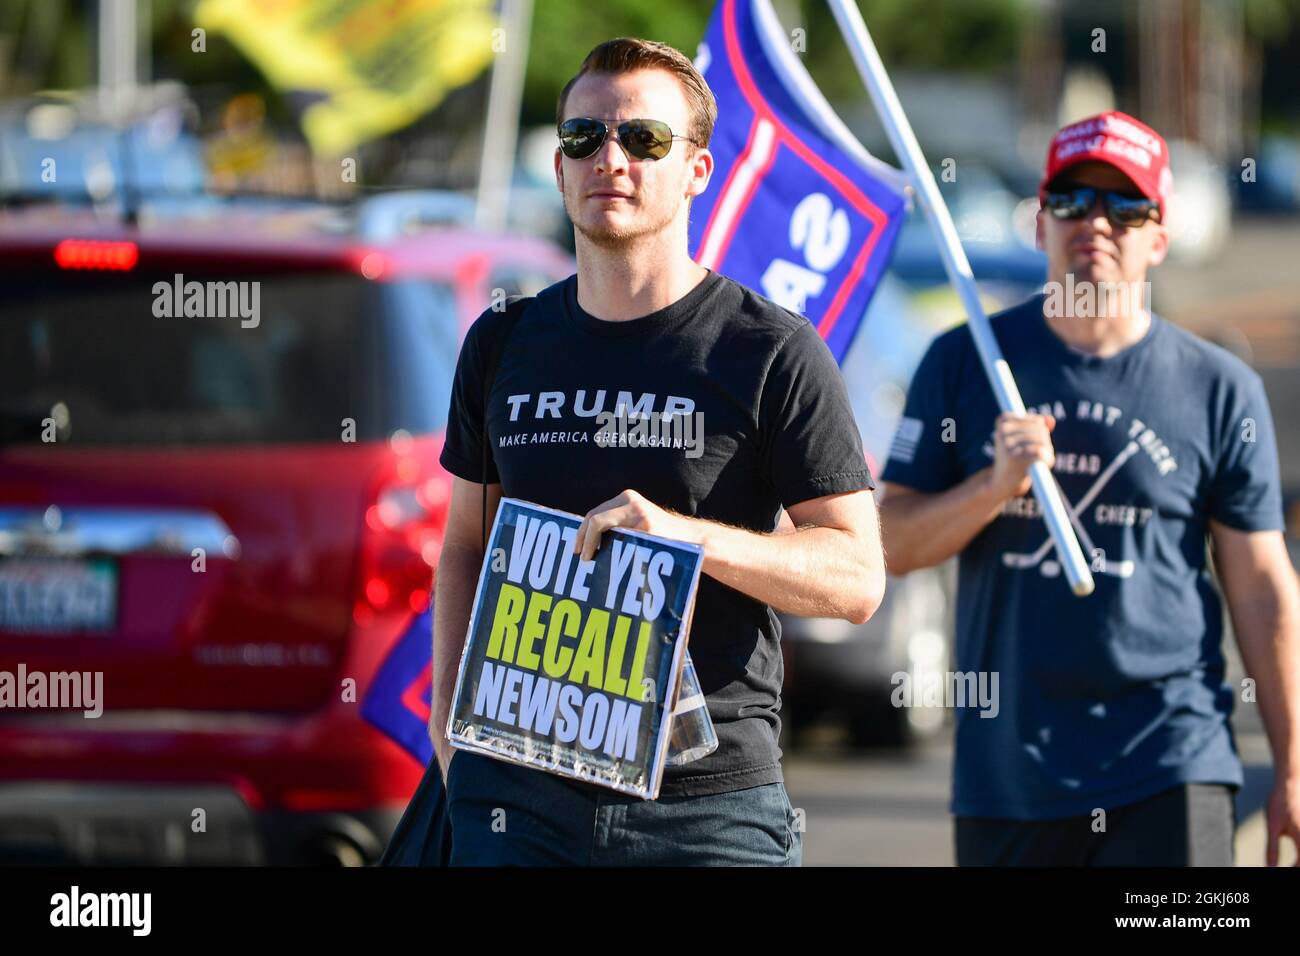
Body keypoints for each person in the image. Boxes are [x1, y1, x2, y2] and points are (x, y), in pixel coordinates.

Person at [427, 37, 885, 866]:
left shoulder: (768, 350)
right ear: (561, 168)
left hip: (707, 808)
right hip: (518, 794)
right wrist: (446, 721)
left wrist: (686, 537)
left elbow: (857, 579)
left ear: (697, 171)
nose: (611, 159)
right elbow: (465, 544)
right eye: (583, 139)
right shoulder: (502, 343)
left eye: (643, 140)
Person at [879, 110, 1300, 866]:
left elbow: (1263, 585)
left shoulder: (1218, 388)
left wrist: (1293, 769)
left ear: (1160, 236)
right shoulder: (964, 361)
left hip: (1172, 760)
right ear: (1041, 224)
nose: (1096, 223)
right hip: (1008, 774)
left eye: (1125, 206)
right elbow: (893, 544)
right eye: (1073, 202)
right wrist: (989, 487)